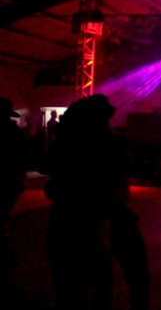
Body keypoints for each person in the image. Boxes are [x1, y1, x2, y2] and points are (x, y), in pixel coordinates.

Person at [44, 95, 149, 309]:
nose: (107, 124)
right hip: (98, 218)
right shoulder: (104, 147)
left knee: (75, 287)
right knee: (112, 278)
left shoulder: (68, 146)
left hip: (70, 220)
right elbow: (139, 164)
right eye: (104, 119)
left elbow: (49, 176)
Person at [0, 97, 27, 285]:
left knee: (2, 216)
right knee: (3, 215)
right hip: (11, 179)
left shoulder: (10, 133)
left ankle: (5, 252)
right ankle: (5, 252)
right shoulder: (14, 132)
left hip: (8, 179)